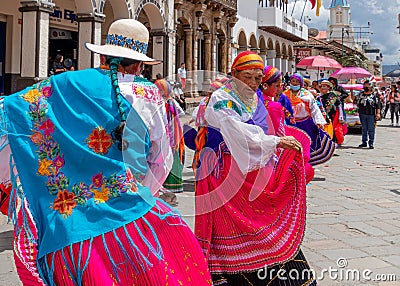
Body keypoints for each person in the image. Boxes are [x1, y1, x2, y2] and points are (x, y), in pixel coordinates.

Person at [0, 19, 212, 285]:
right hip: (129, 216)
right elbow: (161, 161)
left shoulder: (63, 84)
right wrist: (138, 196)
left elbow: (10, 115)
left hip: (68, 223)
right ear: (140, 64)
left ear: (101, 54)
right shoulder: (148, 95)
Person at [193, 51, 316, 285]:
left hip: (252, 167)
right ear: (234, 74)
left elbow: (267, 127)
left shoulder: (254, 98)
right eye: (246, 77)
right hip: (227, 171)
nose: (251, 83)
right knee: (237, 225)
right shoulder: (222, 98)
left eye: (257, 78)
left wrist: (278, 147)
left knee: (262, 220)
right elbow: (236, 131)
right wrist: (276, 142)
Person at [283, 73, 335, 166]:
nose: (294, 84)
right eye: (292, 81)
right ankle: (292, 165)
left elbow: (314, 109)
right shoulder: (284, 94)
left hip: (306, 124)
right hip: (291, 124)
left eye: (296, 82)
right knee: (292, 146)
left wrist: (319, 121)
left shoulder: (307, 95)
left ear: (301, 83)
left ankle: (306, 164)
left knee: (307, 145)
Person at [154, 79, 185, 196]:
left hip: (170, 135)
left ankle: (169, 188)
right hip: (165, 133)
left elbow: (177, 117)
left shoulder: (169, 103)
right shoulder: (164, 102)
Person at [319, 80, 347, 146]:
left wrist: (341, 116)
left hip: (333, 117)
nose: (322, 88)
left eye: (324, 86)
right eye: (321, 86)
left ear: (328, 87)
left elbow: (339, 106)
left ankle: (332, 146)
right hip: (323, 117)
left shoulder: (333, 95)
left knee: (333, 132)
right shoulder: (318, 97)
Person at [356, 80, 381, 149]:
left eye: (367, 85)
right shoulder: (360, 94)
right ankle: (364, 142)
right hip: (362, 113)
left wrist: (378, 113)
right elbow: (354, 100)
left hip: (371, 114)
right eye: (365, 85)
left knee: (371, 129)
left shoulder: (374, 95)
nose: (366, 86)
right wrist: (352, 92)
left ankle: (371, 143)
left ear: (371, 86)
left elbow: (378, 105)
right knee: (364, 128)